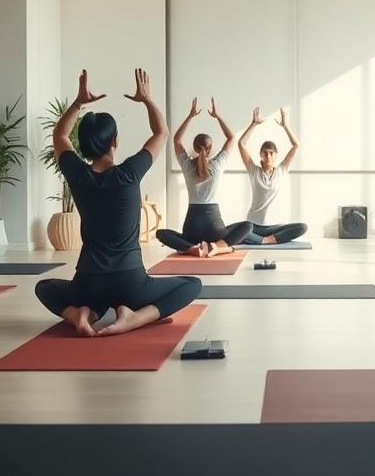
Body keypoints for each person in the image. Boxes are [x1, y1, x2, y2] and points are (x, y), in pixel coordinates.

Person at [35, 69, 201, 337]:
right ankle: (133, 318)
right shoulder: (129, 173)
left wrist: (78, 103)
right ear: (115, 141)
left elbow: (60, 136)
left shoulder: (78, 175)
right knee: (191, 284)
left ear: (85, 146)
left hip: (88, 282)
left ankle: (82, 312)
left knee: (44, 288)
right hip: (131, 282)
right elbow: (161, 132)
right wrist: (146, 99)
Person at [156, 98, 252, 257]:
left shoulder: (187, 165)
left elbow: (176, 139)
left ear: (194, 147)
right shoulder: (217, 164)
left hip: (191, 229)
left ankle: (191, 248)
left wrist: (190, 116)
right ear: (210, 148)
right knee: (248, 226)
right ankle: (218, 246)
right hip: (215, 229)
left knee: (161, 233)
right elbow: (231, 138)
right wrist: (217, 117)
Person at [238, 106, 308, 245]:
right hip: (254, 225)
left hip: (275, 227)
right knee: (239, 231)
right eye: (265, 152)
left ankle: (267, 240)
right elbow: (241, 143)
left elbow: (296, 145)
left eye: (271, 153)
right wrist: (254, 124)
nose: (268, 155)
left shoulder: (281, 170)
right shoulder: (254, 170)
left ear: (276, 155)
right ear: (260, 155)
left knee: (302, 227)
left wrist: (285, 126)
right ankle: (265, 240)